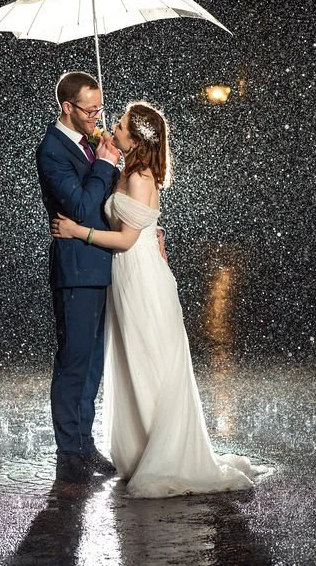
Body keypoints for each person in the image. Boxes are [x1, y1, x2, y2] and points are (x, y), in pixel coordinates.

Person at [51, 102, 270, 498]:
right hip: (129, 274)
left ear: (135, 139)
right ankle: (141, 447)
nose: (110, 126)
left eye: (118, 125)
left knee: (150, 359)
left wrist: (76, 231)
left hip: (140, 278)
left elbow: (124, 238)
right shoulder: (127, 170)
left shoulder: (137, 177)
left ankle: (164, 453)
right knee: (135, 361)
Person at [36, 71, 121, 485]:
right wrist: (105, 165)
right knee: (74, 363)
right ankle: (70, 454)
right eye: (90, 110)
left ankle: (85, 445)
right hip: (76, 269)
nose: (96, 117)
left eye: (100, 108)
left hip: (102, 264)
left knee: (92, 365)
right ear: (67, 108)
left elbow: (106, 203)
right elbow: (82, 206)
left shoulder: (89, 144)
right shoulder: (52, 150)